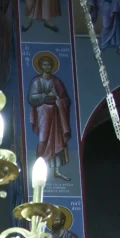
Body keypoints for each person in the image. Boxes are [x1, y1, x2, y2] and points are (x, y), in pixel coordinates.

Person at [27, 53, 71, 181]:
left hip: (57, 112)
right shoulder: (37, 81)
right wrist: (45, 96)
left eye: (49, 65)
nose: (47, 67)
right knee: (43, 139)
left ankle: (57, 170)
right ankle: (38, 168)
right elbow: (32, 98)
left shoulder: (57, 81)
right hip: (43, 111)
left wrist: (58, 99)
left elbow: (65, 99)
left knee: (57, 140)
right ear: (40, 66)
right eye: (44, 64)